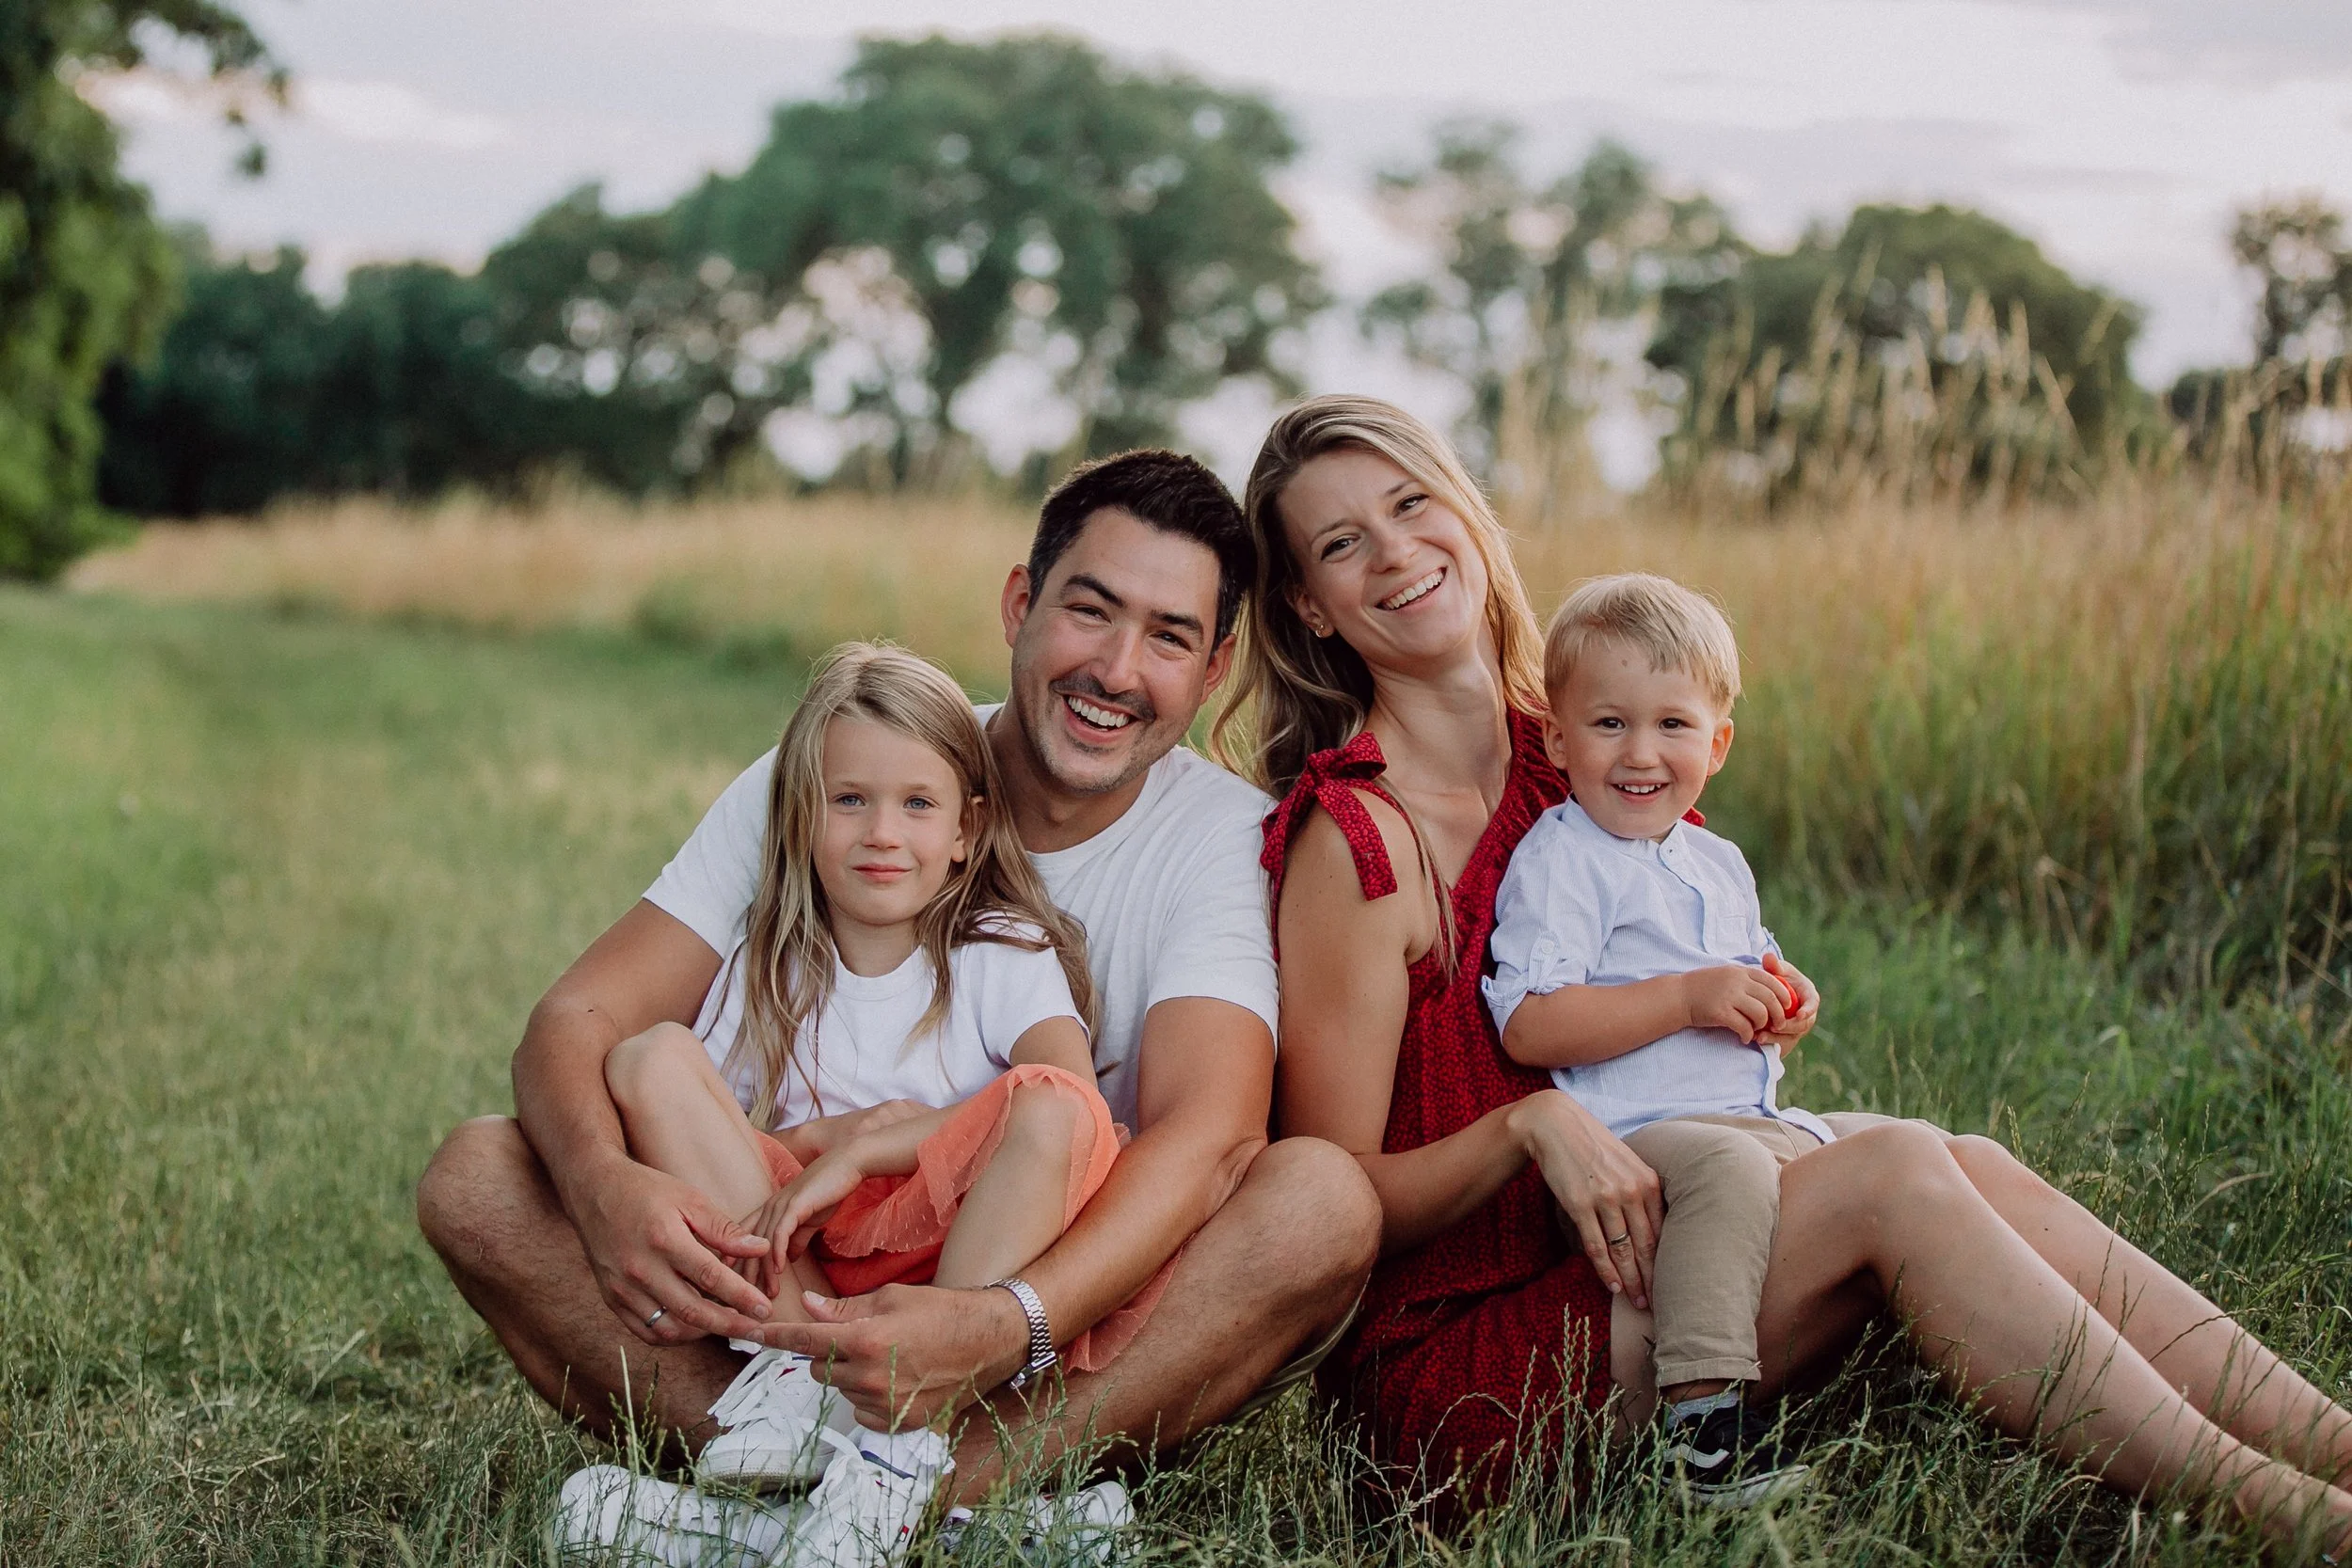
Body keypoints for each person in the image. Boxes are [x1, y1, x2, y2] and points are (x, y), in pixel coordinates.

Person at [1225, 391, 2352, 1549]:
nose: (1397, 551)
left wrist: (1746, 1000)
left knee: (1970, 1159)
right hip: (1465, 1363)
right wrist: (1526, 1132)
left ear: (1466, 512)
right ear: (1308, 601)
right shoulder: (1354, 840)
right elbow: (1337, 1202)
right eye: (1342, 541)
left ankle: (2333, 1443)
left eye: (1413, 504)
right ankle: (2280, 1512)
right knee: (1895, 1172)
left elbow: (1670, 963)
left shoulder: (1576, 750)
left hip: (1646, 1244)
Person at [415, 451, 1381, 1544]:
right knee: (479, 1178)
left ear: (1213, 670)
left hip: (1044, 1320)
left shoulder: (1219, 836)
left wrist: (1004, 1323)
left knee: (1317, 1201)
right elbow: (578, 1019)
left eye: (1167, 635)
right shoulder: (855, 767)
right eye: (1089, 609)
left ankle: (843, 1506)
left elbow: (1210, 1138)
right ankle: (895, 1500)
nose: (1115, 667)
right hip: (792, 1299)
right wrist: (598, 1188)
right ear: (1021, 602)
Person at [569, 641, 1156, 1565]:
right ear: (802, 817)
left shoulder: (998, 950)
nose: (882, 831)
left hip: (954, 1276)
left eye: (916, 803)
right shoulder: (774, 961)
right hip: (805, 1279)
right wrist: (825, 1140)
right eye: (850, 799)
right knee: (651, 1057)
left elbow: (1069, 1098)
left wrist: (874, 1150)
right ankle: (809, 1392)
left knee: (1053, 1107)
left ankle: (897, 1445)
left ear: (965, 827)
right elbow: (723, 1140)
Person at [1486, 571, 1831, 1504]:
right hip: (1636, 1135)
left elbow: (1743, 965)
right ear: (1557, 738)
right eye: (1608, 724)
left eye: (1671, 725)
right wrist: (1685, 998)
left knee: (1875, 1145)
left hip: (1739, 1114)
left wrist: (1782, 992)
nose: (1641, 752)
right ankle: (1697, 1422)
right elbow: (1528, 1020)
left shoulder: (1714, 859)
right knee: (1728, 1171)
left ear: (1715, 743)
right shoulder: (1561, 860)